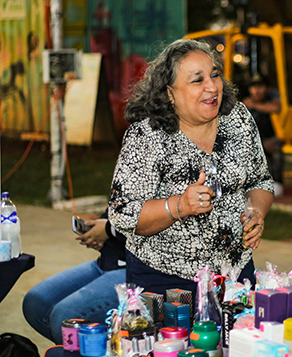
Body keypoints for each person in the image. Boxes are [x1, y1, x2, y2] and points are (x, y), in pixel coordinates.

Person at [108, 39, 273, 297]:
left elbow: (260, 180)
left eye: (215, 75)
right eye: (198, 80)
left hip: (235, 273)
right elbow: (124, 213)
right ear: (169, 93)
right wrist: (179, 206)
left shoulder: (237, 118)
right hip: (165, 282)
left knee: (238, 337)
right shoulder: (148, 136)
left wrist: (255, 211)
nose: (212, 86)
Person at [22, 210, 126, 345]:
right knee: (35, 303)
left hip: (137, 269)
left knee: (65, 318)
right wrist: (96, 231)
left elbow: (153, 226)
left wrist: (109, 229)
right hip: (108, 260)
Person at [242, 74, 284, 197]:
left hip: (270, 138)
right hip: (254, 141)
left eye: (260, 87)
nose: (256, 91)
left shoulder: (271, 99)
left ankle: (277, 182)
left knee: (276, 148)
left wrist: (255, 106)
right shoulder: (245, 103)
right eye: (253, 87)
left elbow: (276, 107)